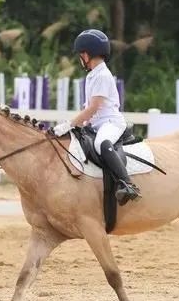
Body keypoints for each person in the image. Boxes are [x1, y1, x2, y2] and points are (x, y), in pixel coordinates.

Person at [52, 29, 141, 205]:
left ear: (86, 54)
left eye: (80, 55)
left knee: (102, 144)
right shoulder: (93, 75)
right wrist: (80, 124)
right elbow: (89, 108)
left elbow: (93, 107)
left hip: (110, 123)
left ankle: (128, 184)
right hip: (97, 123)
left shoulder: (102, 75)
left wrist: (68, 124)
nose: (80, 59)